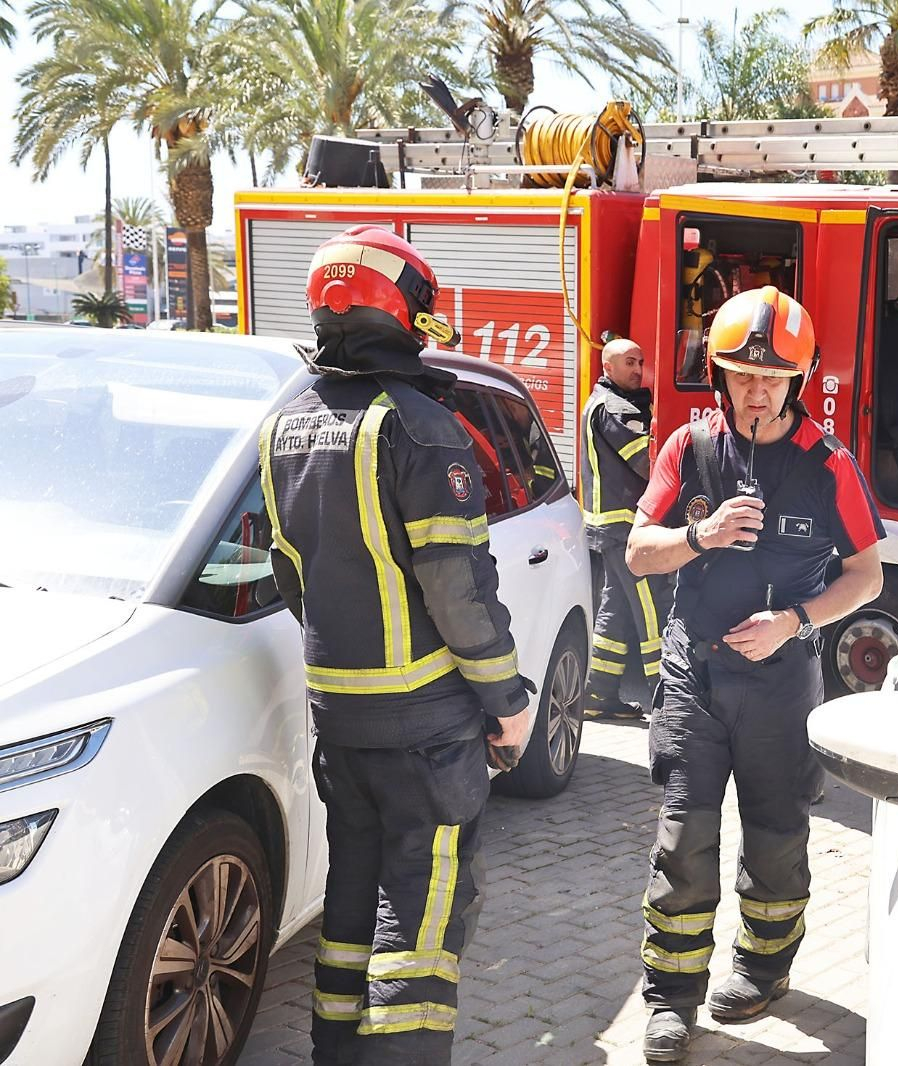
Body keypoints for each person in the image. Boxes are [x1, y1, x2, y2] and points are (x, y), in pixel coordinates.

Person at [258, 224, 532, 1066]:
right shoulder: (418, 427)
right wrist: (509, 701)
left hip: (340, 721)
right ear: (399, 310)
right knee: (418, 930)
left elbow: (292, 577)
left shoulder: (285, 428)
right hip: (426, 732)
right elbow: (458, 591)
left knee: (349, 913)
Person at [624, 286, 885, 1062]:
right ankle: (670, 999)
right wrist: (698, 536)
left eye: (774, 377)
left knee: (776, 837)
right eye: (743, 374)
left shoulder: (830, 466)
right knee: (684, 838)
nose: (758, 389)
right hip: (694, 677)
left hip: (781, 681)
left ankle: (763, 969)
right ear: (721, 377)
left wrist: (793, 622)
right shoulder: (688, 449)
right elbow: (639, 552)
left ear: (798, 381)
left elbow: (867, 576)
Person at [577, 336, 672, 719]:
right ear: (608, 368)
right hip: (626, 528)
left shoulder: (603, 403)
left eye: (641, 362)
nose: (638, 370)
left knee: (615, 610)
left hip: (610, 527)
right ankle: (667, 699)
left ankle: (597, 695)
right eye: (630, 363)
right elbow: (647, 465)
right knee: (653, 611)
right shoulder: (615, 409)